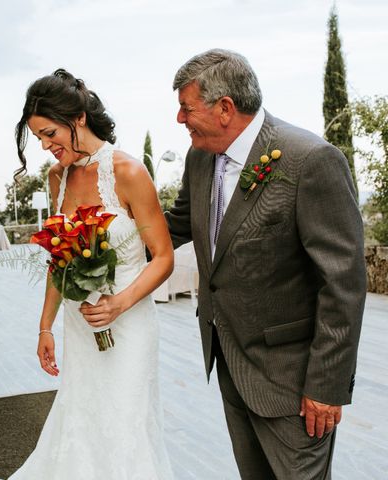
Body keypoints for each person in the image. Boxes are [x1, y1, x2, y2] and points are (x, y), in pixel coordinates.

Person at [165, 49, 366, 479]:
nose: (180, 120)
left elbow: (343, 283)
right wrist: (94, 243)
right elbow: (175, 227)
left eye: (186, 108)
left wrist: (326, 387)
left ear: (224, 109)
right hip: (229, 362)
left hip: (293, 381)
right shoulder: (199, 159)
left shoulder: (310, 160)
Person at [7, 69, 175, 479]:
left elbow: (164, 257)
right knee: (83, 423)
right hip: (80, 328)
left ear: (78, 118)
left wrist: (119, 303)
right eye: (39, 138)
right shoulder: (57, 178)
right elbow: (59, 257)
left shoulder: (129, 173)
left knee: (124, 426)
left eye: (50, 134)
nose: (46, 146)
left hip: (129, 325)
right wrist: (45, 327)